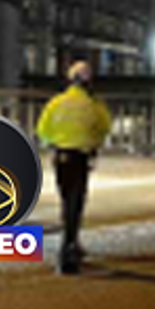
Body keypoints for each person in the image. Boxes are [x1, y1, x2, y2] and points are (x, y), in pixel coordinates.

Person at [36, 61, 112, 275]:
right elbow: (105, 127)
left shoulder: (56, 103)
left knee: (66, 200)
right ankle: (68, 249)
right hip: (80, 157)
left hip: (60, 157)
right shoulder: (93, 105)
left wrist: (56, 141)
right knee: (75, 202)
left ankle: (72, 242)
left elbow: (42, 130)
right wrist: (93, 143)